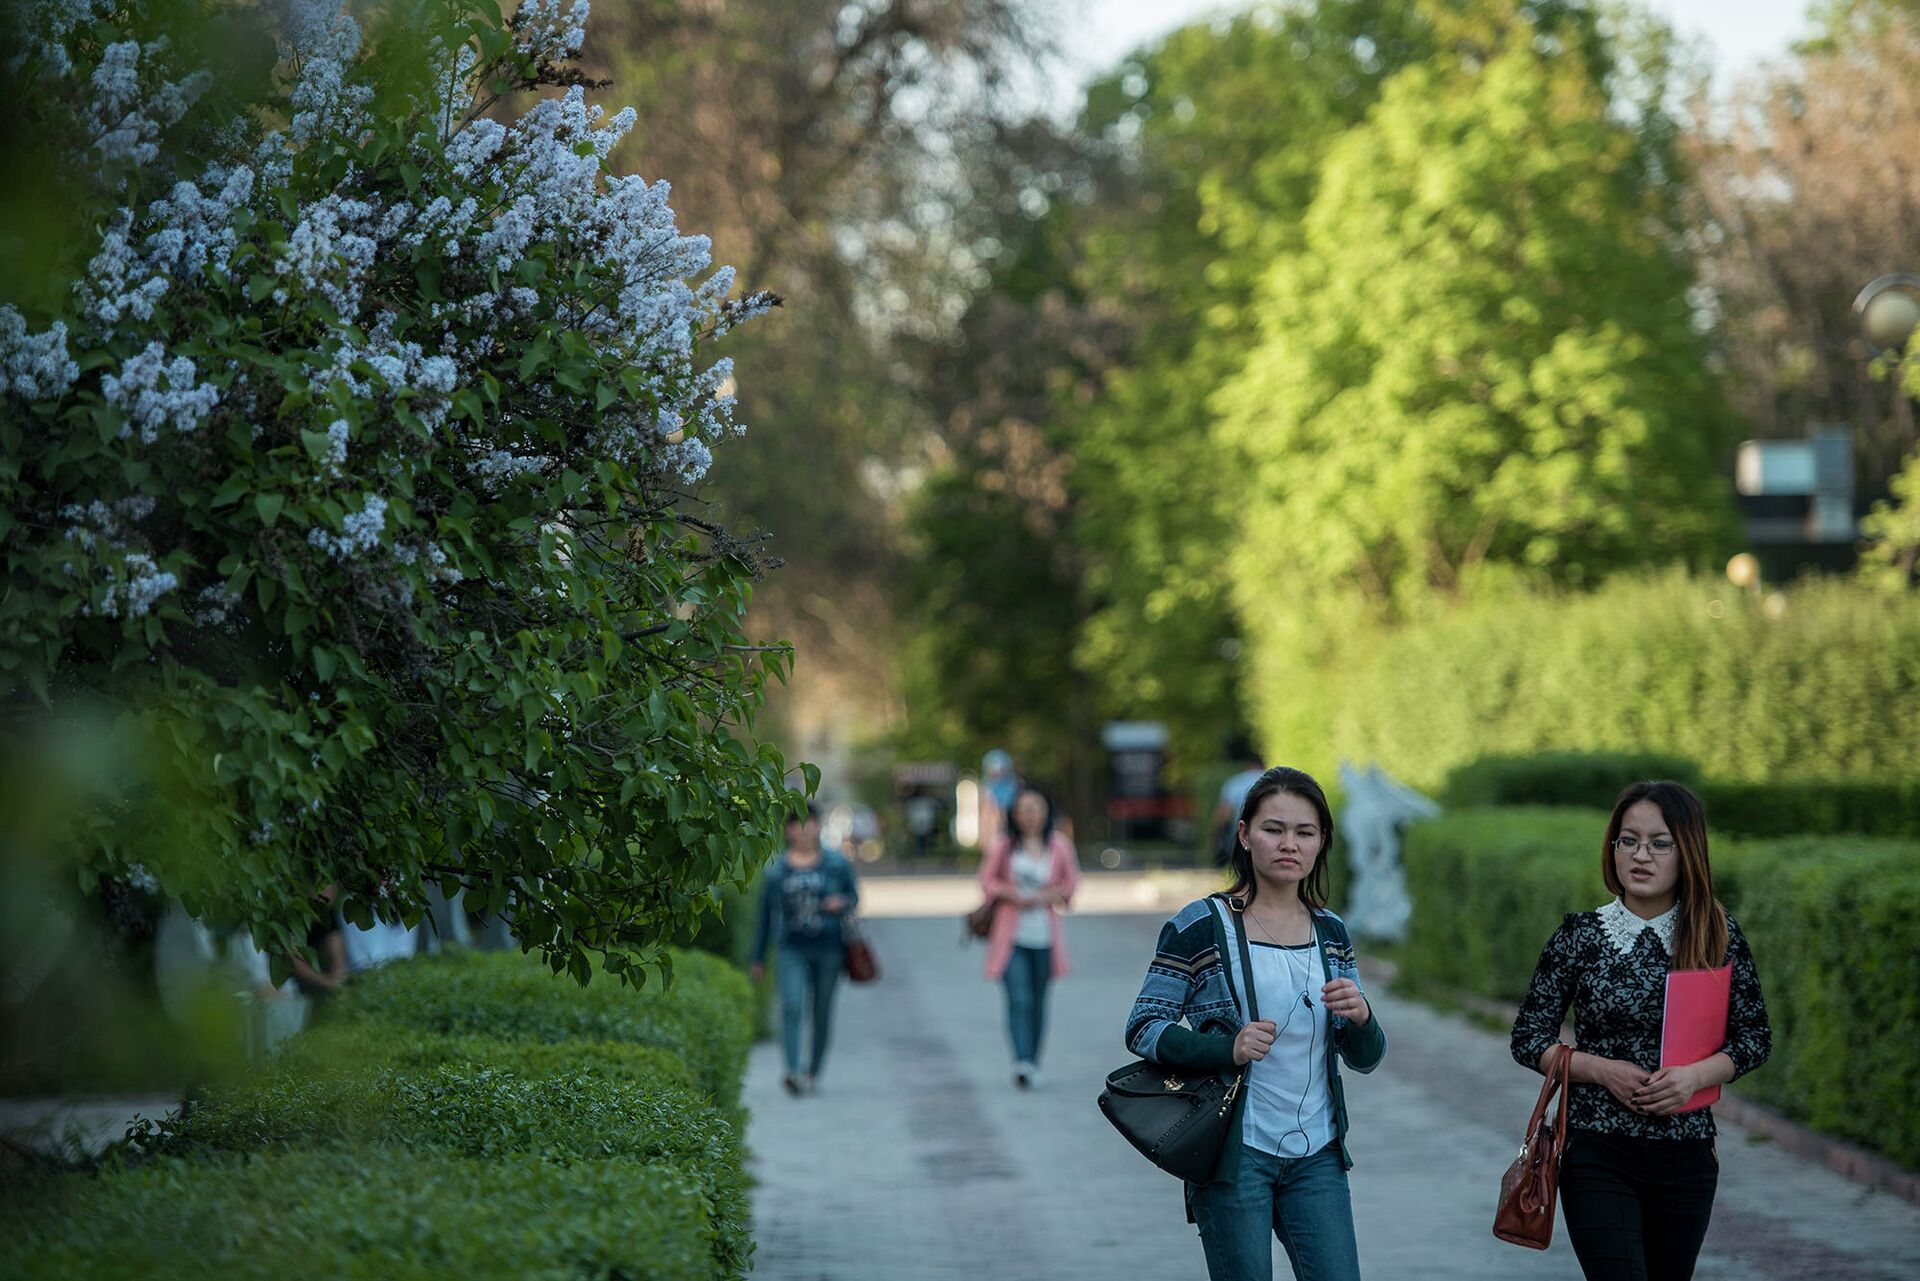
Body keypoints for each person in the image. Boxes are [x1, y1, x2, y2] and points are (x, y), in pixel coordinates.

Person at [1125, 766, 1385, 1281]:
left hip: (1318, 1154)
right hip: (1235, 1156)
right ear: (1244, 835)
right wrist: (1228, 1049)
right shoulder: (1200, 926)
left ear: (1320, 843)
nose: (1289, 844)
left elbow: (1365, 1057)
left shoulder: (1332, 932)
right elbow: (1143, 1026)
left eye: (1304, 832)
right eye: (1273, 829)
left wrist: (1363, 1018)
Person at [1509, 781, 1771, 1281]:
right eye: (1627, 841)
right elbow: (1529, 1037)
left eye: (1659, 843)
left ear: (1687, 851)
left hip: (1687, 1152)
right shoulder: (1581, 936)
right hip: (1595, 1149)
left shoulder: (1718, 934)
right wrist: (1601, 1070)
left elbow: (1754, 1037)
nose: (1640, 855)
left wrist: (1694, 1078)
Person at [750, 804, 860, 1096]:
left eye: (809, 822)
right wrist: (758, 957)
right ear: (787, 830)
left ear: (818, 826)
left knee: (821, 1011)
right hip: (791, 948)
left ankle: (813, 1071)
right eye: (797, 824)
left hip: (829, 947)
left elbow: (854, 896)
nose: (803, 829)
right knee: (791, 1006)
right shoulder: (776, 872)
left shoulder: (836, 864)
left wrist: (842, 902)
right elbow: (765, 916)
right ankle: (792, 1071)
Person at [977, 784, 1080, 1088]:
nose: (1029, 815)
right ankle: (1021, 1061)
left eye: (1035, 809)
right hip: (1010, 939)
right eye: (1023, 809)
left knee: (1038, 1002)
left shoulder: (1059, 845)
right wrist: (1010, 893)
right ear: (1014, 814)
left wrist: (1048, 895)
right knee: (1019, 999)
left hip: (1045, 939)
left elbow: (1071, 886)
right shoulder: (1004, 845)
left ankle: (1033, 1061)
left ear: (1046, 812)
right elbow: (986, 881)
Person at [1210, 738, 1266, 866]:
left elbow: (1223, 813)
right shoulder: (1274, 781)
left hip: (1241, 831)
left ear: (1247, 765)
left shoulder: (1235, 782)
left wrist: (1216, 836)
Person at [288, 884, 348, 1001]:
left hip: (317, 984)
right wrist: (327, 982)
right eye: (322, 888)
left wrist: (337, 977)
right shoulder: (294, 914)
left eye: (330, 889)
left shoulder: (328, 915)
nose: (326, 894)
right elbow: (292, 960)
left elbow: (336, 946)